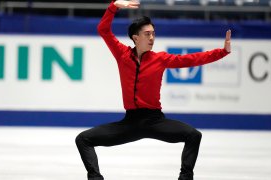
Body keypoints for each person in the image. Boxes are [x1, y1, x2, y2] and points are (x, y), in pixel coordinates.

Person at [75, 0, 231, 180]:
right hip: (130, 123)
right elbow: (103, 30)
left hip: (155, 121)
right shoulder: (122, 54)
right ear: (135, 37)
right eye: (147, 34)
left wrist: (222, 51)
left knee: (194, 136)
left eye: (153, 34)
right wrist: (114, 6)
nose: (152, 38)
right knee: (83, 139)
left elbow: (192, 59)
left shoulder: (160, 59)